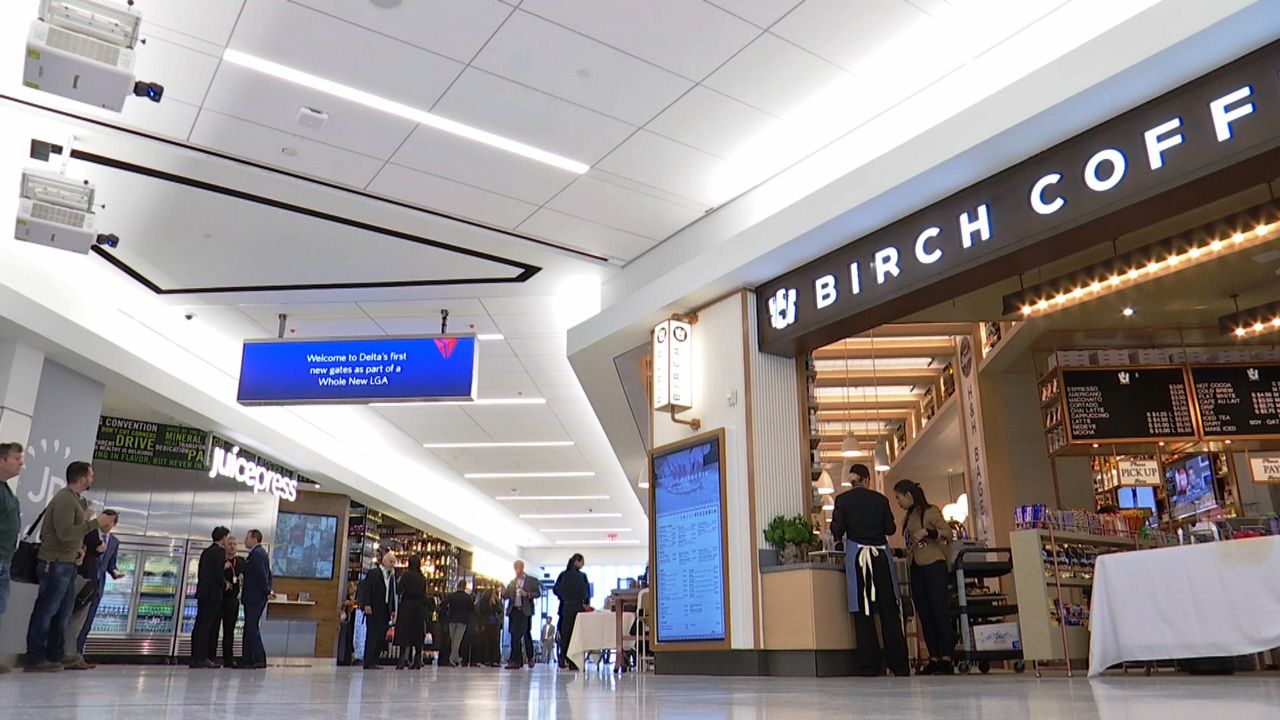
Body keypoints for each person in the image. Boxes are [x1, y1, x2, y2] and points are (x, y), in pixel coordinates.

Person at [830, 464, 909, 678]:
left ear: (852, 481)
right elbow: (890, 529)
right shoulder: (880, 500)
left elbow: (836, 529)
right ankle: (900, 665)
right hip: (881, 558)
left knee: (863, 614)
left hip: (858, 558)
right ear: (867, 479)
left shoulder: (843, 501)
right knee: (889, 612)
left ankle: (869, 666)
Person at [25, 461, 99, 672]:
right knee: (46, 610)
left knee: (63, 611)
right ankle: (35, 658)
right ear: (83, 477)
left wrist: (80, 550)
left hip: (67, 563)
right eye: (91, 475)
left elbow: (71, 535)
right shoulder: (65, 499)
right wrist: (94, 523)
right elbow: (65, 533)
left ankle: (56, 655)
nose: (92, 479)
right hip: (55, 563)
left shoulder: (75, 500)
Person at [893, 479, 955, 675]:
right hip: (917, 567)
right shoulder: (909, 517)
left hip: (934, 565)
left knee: (939, 610)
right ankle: (934, 657)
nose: (898, 502)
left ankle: (947, 657)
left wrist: (927, 532)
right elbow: (912, 543)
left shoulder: (931, 511)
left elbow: (948, 533)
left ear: (909, 495)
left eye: (899, 497)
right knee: (925, 614)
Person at [63, 510, 121, 669]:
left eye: (110, 522)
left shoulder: (114, 542)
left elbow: (111, 564)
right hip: (83, 579)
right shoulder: (88, 533)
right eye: (104, 520)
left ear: (114, 524)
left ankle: (78, 653)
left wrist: (115, 572)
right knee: (73, 616)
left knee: (87, 621)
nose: (106, 524)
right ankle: (67, 653)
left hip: (97, 585)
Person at [0, 442, 26, 675]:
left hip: (5, 560)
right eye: (17, 459)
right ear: (2, 460)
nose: (21, 463)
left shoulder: (7, 490)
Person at [190, 526, 231, 669]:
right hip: (213, 595)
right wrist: (225, 584)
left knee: (199, 625)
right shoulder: (220, 552)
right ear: (223, 538)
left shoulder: (206, 552)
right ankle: (204, 658)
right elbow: (217, 574)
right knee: (208, 627)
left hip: (202, 593)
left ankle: (195, 658)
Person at [359, 550, 398, 670]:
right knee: (372, 635)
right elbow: (366, 589)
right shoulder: (374, 573)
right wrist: (366, 604)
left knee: (381, 636)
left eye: (394, 562)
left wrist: (392, 610)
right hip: (374, 608)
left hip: (385, 610)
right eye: (391, 561)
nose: (392, 564)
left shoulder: (391, 577)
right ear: (385, 561)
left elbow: (391, 594)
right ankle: (368, 660)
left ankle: (374, 659)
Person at [553, 553, 591, 670]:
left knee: (565, 634)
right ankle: (573, 660)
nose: (583, 564)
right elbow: (586, 594)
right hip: (578, 608)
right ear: (577, 562)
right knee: (576, 635)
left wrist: (563, 597)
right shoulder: (582, 576)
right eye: (582, 562)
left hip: (565, 607)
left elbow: (556, 589)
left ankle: (563, 657)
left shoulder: (563, 575)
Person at [241, 529, 271, 669]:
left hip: (255, 597)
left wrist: (267, 591)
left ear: (254, 538)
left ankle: (259, 658)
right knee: (249, 628)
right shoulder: (258, 553)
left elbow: (262, 575)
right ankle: (247, 658)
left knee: (251, 628)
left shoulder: (257, 554)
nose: (245, 541)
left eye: (247, 538)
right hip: (254, 597)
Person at [211, 534, 243, 668]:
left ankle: (228, 658)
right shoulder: (220, 560)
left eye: (235, 544)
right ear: (225, 546)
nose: (232, 547)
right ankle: (211, 656)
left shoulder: (241, 561)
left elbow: (245, 575)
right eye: (229, 544)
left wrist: (242, 576)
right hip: (219, 599)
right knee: (214, 629)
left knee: (229, 630)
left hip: (233, 600)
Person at [502, 560, 541, 669]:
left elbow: (538, 593)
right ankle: (515, 660)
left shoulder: (531, 581)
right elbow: (506, 596)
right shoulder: (512, 582)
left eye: (518, 568)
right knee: (514, 635)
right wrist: (503, 592)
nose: (516, 570)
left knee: (526, 634)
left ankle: (530, 657)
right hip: (514, 611)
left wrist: (527, 594)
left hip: (525, 611)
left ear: (522, 568)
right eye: (515, 568)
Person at [394, 554, 427, 670]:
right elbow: (424, 595)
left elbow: (399, 590)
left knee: (405, 631)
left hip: (406, 605)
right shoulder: (422, 578)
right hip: (418, 607)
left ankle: (402, 659)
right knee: (417, 632)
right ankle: (417, 658)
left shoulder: (406, 575)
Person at [444, 580, 473, 667]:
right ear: (465, 587)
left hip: (452, 620)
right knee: (457, 641)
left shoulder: (452, 596)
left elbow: (444, 604)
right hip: (462, 621)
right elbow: (471, 609)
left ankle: (456, 658)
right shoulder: (467, 597)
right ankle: (452, 659)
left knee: (453, 640)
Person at [475, 587, 503, 667]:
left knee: (494, 642)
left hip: (494, 624)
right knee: (484, 641)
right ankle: (484, 659)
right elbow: (482, 611)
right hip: (486, 624)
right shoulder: (483, 602)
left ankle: (494, 660)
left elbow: (499, 611)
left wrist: (496, 603)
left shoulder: (496, 602)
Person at [337, 581, 360, 666]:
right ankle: (351, 656)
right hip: (346, 621)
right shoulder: (346, 597)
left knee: (349, 637)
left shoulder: (354, 597)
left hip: (350, 621)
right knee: (348, 637)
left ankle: (351, 656)